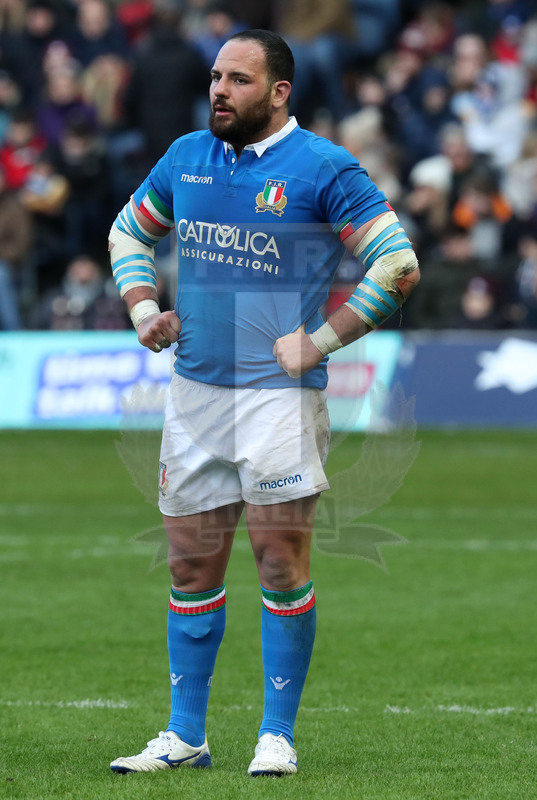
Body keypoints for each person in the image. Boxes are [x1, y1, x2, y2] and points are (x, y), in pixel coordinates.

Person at [108, 29, 420, 777]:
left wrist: (319, 341)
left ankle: (275, 735)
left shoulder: (321, 167)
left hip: (277, 402)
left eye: (238, 80)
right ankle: (186, 736)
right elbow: (128, 230)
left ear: (279, 91)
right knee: (190, 567)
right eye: (216, 77)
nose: (219, 90)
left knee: (278, 562)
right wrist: (143, 306)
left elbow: (397, 263)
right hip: (193, 393)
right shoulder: (186, 156)